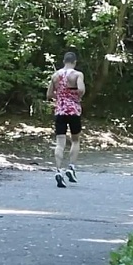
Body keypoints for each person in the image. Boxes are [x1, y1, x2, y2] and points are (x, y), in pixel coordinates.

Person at [46, 51, 85, 188]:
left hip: (60, 111)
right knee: (75, 140)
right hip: (73, 110)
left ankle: (58, 170)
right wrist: (74, 96)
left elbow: (49, 94)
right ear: (74, 62)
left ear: (63, 61)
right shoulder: (77, 74)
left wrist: (60, 97)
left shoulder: (55, 75)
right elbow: (81, 89)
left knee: (60, 142)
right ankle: (71, 167)